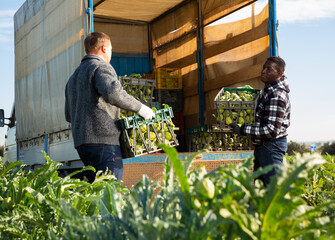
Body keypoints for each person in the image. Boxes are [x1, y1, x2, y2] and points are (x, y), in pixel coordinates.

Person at [65, 32, 154, 183]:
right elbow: (113, 93)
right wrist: (141, 109)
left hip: (82, 144)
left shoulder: (73, 77)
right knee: (110, 193)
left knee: (97, 190)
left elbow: (68, 115)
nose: (111, 52)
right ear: (105, 48)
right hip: (103, 142)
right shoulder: (101, 67)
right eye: (111, 49)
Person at [230, 56, 290, 186]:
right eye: (264, 67)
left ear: (279, 74)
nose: (263, 71)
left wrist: (242, 129)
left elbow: (271, 130)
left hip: (271, 148)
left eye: (269, 69)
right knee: (261, 191)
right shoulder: (268, 92)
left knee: (272, 192)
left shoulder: (276, 95)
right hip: (264, 147)